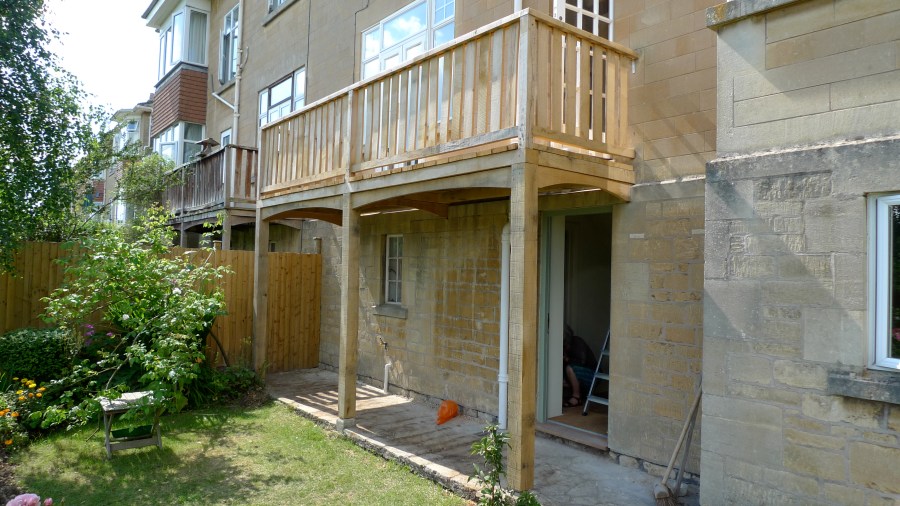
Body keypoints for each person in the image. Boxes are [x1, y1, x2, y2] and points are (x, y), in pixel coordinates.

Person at [563, 325, 597, 408]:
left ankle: (576, 397)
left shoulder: (577, 342)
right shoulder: (562, 346)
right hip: (577, 375)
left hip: (592, 375)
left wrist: (566, 359)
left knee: (570, 368)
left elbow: (581, 362)